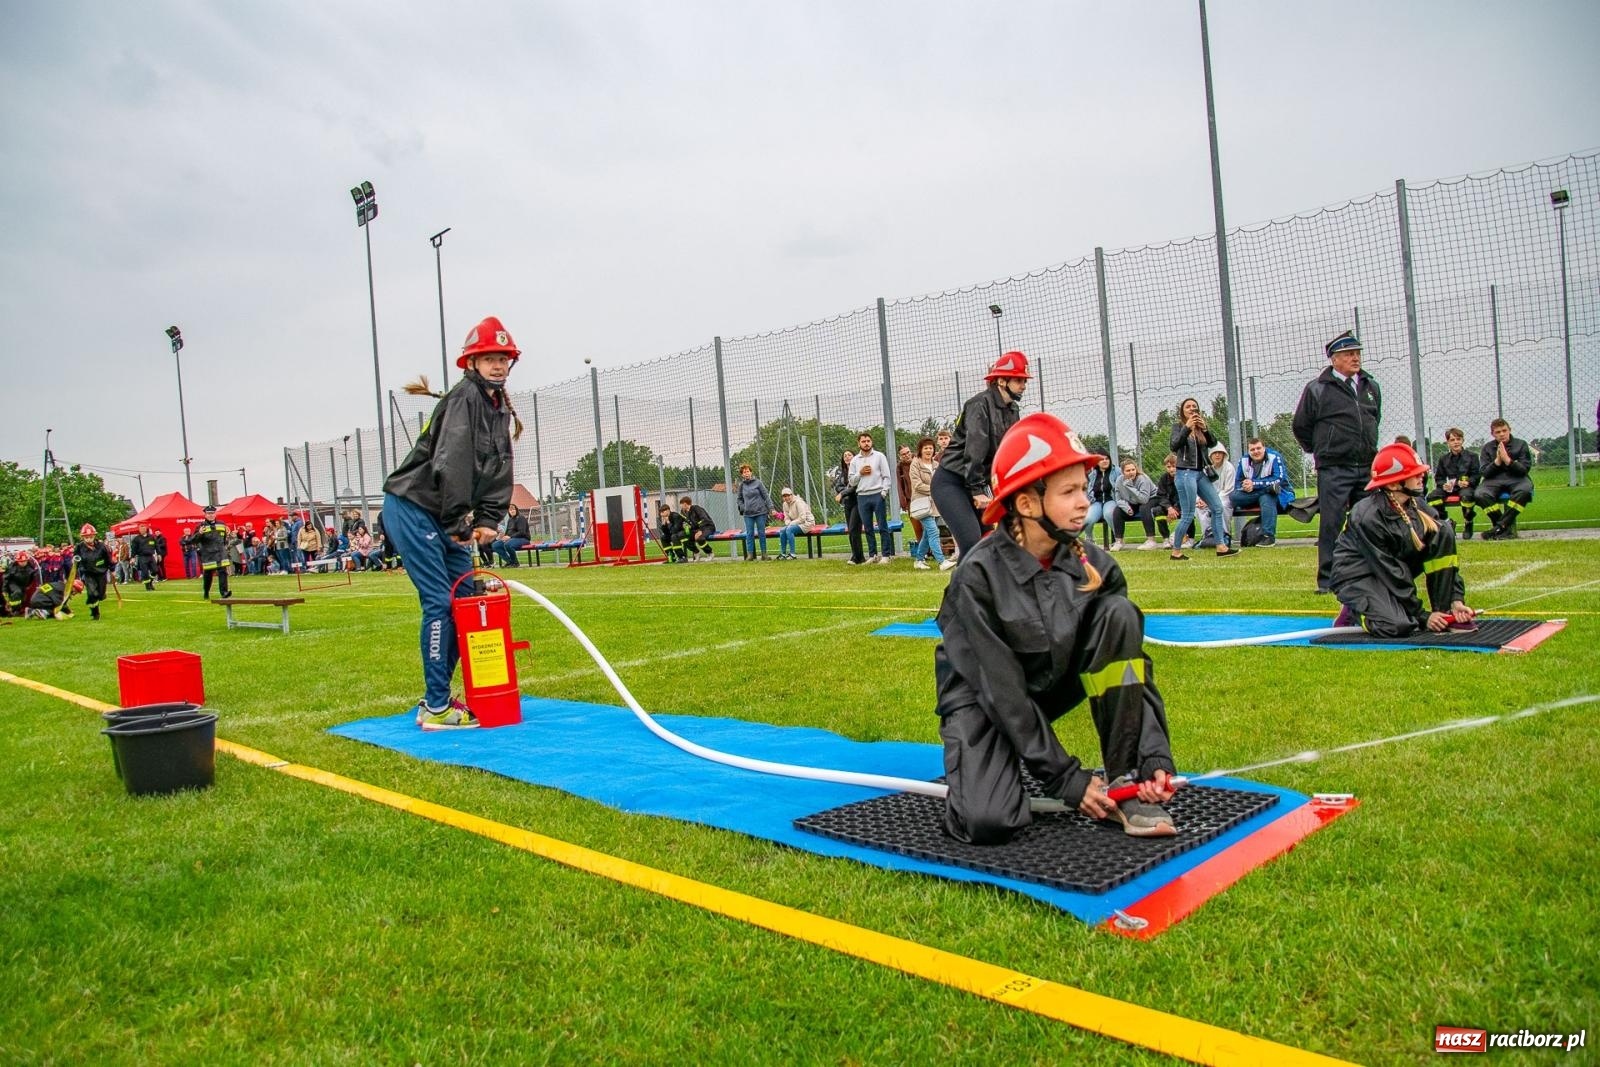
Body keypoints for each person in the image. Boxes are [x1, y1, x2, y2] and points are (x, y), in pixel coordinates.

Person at [934, 412, 1179, 845]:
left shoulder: (1099, 568)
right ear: (1027, 504)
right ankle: (978, 765)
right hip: (983, 701)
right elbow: (1000, 690)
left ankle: (1123, 778)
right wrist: (1066, 779)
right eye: (1069, 491)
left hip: (1048, 686)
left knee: (1119, 615)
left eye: (1083, 488)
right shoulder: (977, 576)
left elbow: (1130, 670)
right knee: (989, 821)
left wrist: (1153, 757)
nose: (1084, 501)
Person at [383, 314, 523, 731]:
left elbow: (500, 469)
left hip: (444, 513)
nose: (498, 365)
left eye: (504, 358)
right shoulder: (465, 399)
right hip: (414, 507)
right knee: (440, 603)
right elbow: (453, 464)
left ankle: (437, 696)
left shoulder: (496, 406)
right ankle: (438, 707)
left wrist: (489, 519)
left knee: (466, 603)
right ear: (471, 363)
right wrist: (460, 521)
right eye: (489, 358)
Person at [1330, 442, 1474, 636]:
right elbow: (1389, 570)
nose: (1421, 476)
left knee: (1444, 531)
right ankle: (1355, 610)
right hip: (1358, 576)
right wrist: (1422, 615)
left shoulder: (1420, 508)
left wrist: (1456, 600)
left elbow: (1445, 558)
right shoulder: (1368, 516)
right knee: (1398, 626)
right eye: (1414, 474)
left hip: (1389, 570)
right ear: (1393, 483)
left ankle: (1444, 610)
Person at [1293, 330, 1382, 592]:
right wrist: (1323, 449)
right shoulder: (1317, 389)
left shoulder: (1370, 386)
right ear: (1334, 359)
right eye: (1349, 354)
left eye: (1357, 353)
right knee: (1331, 522)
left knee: (1369, 520)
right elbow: (1301, 426)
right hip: (1334, 467)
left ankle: (1369, 575)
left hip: (1365, 465)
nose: (1356, 358)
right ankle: (1328, 580)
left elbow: (1374, 419)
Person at [930, 351, 1028, 560]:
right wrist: (977, 490)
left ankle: (987, 591)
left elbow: (1009, 451)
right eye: (1019, 380)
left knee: (988, 543)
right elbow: (975, 449)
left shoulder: (1012, 409)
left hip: (975, 483)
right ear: (1002, 380)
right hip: (951, 482)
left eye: (1024, 380)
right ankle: (960, 592)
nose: (1024, 385)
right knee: (971, 544)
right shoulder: (979, 404)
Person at [1168, 398, 1237, 560]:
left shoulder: (1200, 427)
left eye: (1194, 406)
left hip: (1201, 473)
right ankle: (1176, 552)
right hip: (1185, 473)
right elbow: (1174, 445)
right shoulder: (1178, 426)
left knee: (1217, 507)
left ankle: (1221, 546)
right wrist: (1187, 427)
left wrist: (1205, 429)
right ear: (1183, 411)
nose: (1192, 409)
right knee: (1188, 514)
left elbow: (1213, 443)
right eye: (1188, 406)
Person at [1475, 418, 1535, 540]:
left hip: (1517, 478)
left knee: (1524, 491)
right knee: (1480, 494)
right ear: (1492, 434)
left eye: (1504, 430)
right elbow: (1485, 473)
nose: (1502, 434)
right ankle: (1504, 528)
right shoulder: (1487, 448)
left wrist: (1508, 460)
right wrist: (1497, 461)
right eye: (1498, 432)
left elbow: (1524, 470)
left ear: (1509, 430)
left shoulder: (1521, 444)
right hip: (1493, 480)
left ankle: (1498, 527)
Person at [1230, 437, 1292, 547]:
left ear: (1264, 448)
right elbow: (1238, 483)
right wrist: (1245, 486)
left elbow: (1279, 479)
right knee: (1234, 497)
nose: (1256, 451)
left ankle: (1268, 537)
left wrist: (1254, 484)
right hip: (1254, 494)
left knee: (1267, 497)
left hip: (1279, 493)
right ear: (1248, 451)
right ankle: (1265, 491)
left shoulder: (1274, 457)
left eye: (1258, 448)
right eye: (1252, 449)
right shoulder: (1243, 460)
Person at [1427, 427, 1481, 538]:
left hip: (1466, 488)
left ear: (1462, 440)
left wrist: (1469, 482)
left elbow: (1477, 475)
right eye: (1452, 440)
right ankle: (1447, 522)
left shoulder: (1472, 456)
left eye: (1458, 439)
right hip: (1450, 488)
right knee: (1432, 497)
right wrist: (1443, 485)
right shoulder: (1443, 459)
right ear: (1448, 442)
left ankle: (1468, 522)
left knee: (1466, 496)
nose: (1456, 442)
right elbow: (1439, 478)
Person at [849, 433, 895, 563]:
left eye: (868, 440)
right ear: (859, 443)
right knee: (868, 527)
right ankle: (872, 555)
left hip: (877, 494)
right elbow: (852, 481)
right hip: (862, 496)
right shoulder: (855, 460)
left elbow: (887, 476)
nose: (866, 443)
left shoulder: (879, 456)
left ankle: (886, 555)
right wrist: (860, 473)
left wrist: (883, 492)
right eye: (863, 441)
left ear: (872, 442)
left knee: (882, 525)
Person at [906, 437, 950, 570]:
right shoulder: (915, 464)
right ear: (920, 449)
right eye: (926, 448)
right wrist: (934, 489)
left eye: (931, 448)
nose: (928, 450)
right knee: (933, 531)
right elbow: (917, 485)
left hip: (936, 504)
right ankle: (941, 561)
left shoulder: (936, 465)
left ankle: (919, 560)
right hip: (921, 503)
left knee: (927, 534)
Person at [1109, 457, 1159, 550]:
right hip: (1132, 502)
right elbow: (1118, 498)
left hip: (1151, 499)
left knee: (1144, 508)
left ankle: (1151, 541)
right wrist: (1126, 508)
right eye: (1128, 470)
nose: (1131, 472)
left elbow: (1144, 499)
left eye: (1133, 469)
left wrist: (1129, 486)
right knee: (1117, 511)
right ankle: (1119, 541)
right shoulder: (1119, 480)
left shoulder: (1142, 478)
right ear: (1122, 472)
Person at [1193, 442, 1235, 547]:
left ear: (1224, 454)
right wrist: (1200, 499)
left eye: (1220, 453)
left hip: (1225, 498)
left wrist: (1210, 501)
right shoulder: (1205, 469)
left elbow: (1228, 490)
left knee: (1222, 506)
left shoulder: (1229, 468)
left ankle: (1224, 535)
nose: (1217, 455)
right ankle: (1207, 535)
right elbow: (1199, 487)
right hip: (1207, 498)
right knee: (1199, 507)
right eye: (1215, 453)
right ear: (1210, 455)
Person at [830, 449, 865, 565]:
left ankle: (857, 556)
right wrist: (844, 492)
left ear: (854, 457)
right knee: (851, 530)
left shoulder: (858, 470)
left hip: (858, 502)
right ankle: (857, 556)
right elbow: (838, 486)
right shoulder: (842, 473)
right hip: (847, 503)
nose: (847, 457)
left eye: (849, 455)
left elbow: (856, 487)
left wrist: (843, 493)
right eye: (845, 455)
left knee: (854, 528)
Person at [192, 505, 233, 600]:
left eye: (212, 513)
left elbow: (223, 537)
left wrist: (224, 546)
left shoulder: (222, 524)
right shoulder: (200, 526)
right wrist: (200, 533)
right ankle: (206, 591)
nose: (211, 515)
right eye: (209, 513)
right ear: (205, 515)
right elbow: (194, 540)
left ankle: (224, 592)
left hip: (220, 552)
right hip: (208, 554)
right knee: (208, 575)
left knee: (222, 571)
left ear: (215, 514)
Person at [73, 523, 113, 620]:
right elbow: (76, 560)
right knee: (92, 594)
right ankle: (95, 613)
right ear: (82, 537)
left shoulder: (102, 546)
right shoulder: (79, 547)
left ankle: (99, 599)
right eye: (86, 537)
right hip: (88, 573)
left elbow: (108, 559)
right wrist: (74, 572)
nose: (88, 539)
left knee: (100, 594)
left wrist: (112, 570)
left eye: (90, 537)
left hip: (101, 573)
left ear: (94, 536)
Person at [735, 463, 774, 561]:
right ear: (742, 475)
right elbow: (739, 499)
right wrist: (743, 507)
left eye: (748, 471)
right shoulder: (741, 486)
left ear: (751, 472)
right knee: (749, 534)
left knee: (761, 533)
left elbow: (766, 496)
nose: (746, 473)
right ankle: (750, 555)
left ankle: (764, 554)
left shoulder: (758, 483)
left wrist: (771, 508)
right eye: (744, 472)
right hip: (748, 514)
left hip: (760, 512)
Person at [774, 488, 815, 560]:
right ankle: (783, 554)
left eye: (788, 495)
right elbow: (786, 517)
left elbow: (802, 518)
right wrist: (788, 522)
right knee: (782, 530)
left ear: (792, 495)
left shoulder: (798, 502)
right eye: (784, 496)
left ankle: (792, 554)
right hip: (797, 523)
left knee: (789, 530)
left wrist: (791, 523)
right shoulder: (784, 504)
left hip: (807, 523)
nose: (786, 497)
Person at [1084, 455, 1116, 548]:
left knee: (1109, 514)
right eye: (1102, 459)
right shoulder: (1092, 474)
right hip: (1096, 501)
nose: (1105, 461)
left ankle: (1117, 538)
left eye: (1107, 459)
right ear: (1097, 462)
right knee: (1088, 519)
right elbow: (1087, 489)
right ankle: (1089, 540)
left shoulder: (1116, 471)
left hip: (1110, 499)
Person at [679, 496, 717, 560]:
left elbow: (704, 519)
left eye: (681, 505)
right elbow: (689, 524)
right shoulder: (684, 512)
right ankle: (696, 552)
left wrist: (700, 530)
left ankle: (710, 553)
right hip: (696, 529)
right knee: (683, 536)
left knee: (699, 538)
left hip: (708, 527)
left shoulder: (696, 508)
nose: (681, 507)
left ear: (685, 504)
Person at [130, 522, 160, 591]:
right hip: (142, 557)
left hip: (150, 556)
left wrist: (159, 554)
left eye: (143, 528)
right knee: (145, 572)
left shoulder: (151, 537)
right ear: (139, 530)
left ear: (146, 529)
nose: (142, 530)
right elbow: (133, 549)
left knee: (155, 570)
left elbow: (157, 546)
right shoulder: (136, 539)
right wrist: (132, 557)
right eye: (141, 529)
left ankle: (150, 582)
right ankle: (147, 586)